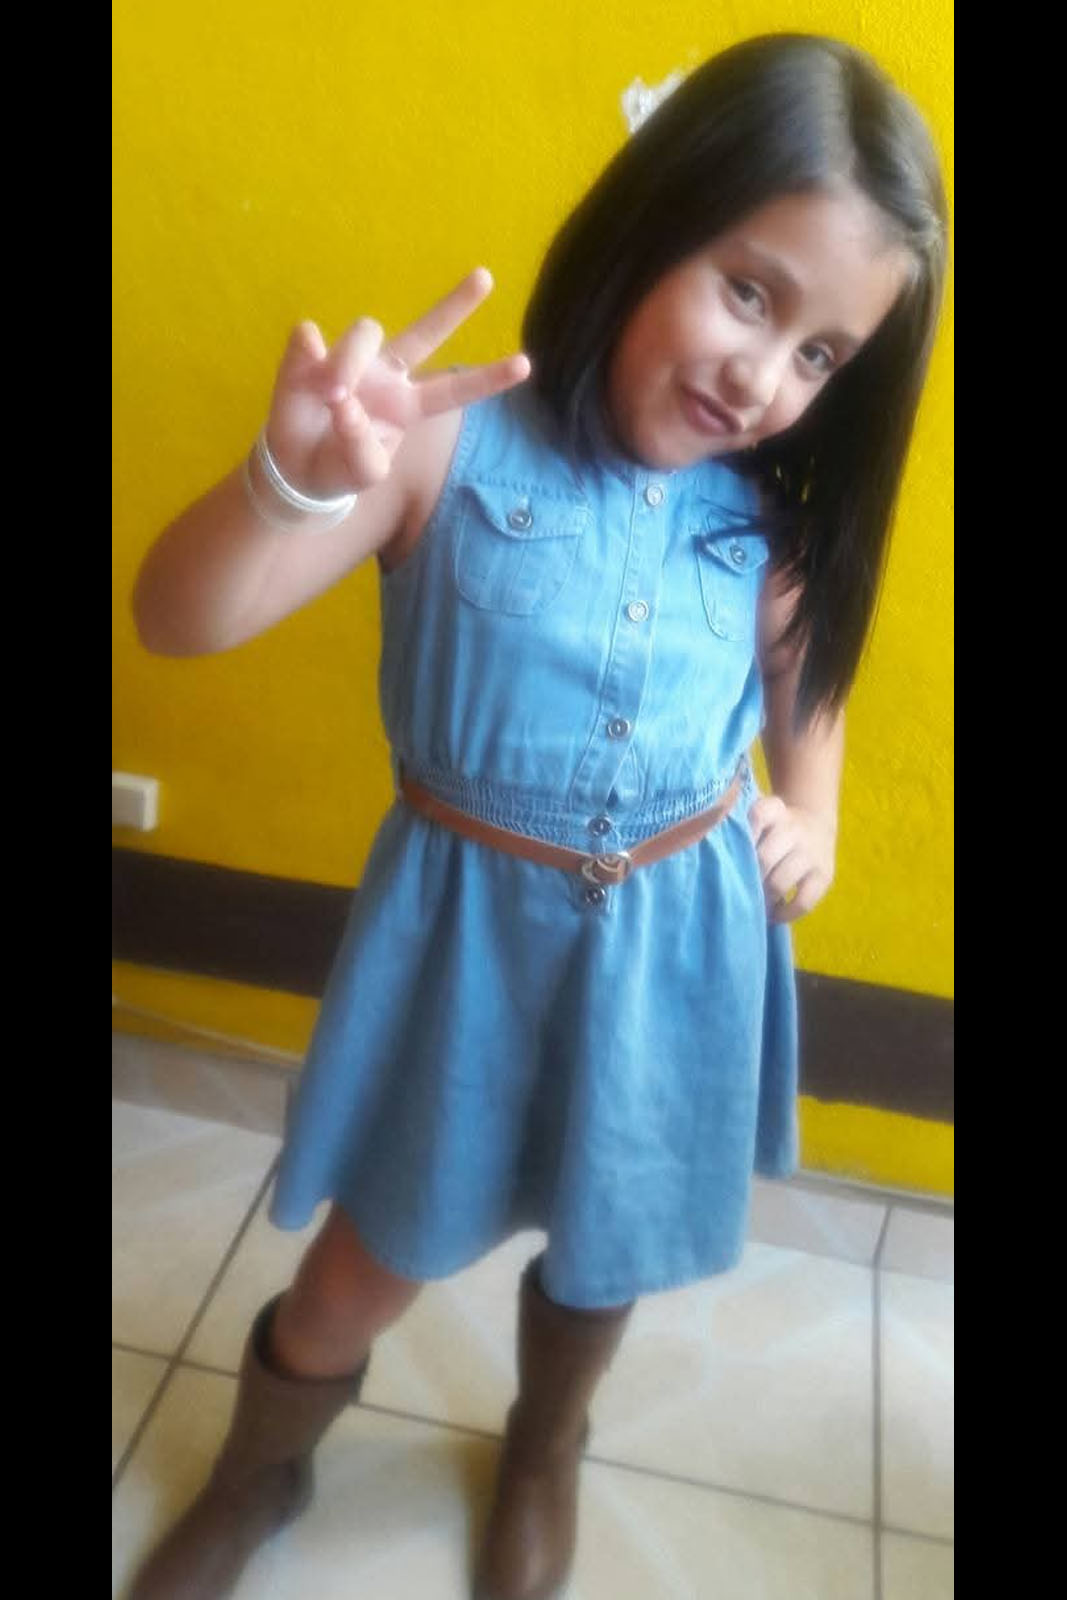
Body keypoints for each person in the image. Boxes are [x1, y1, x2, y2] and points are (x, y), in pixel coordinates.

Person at [126, 32, 947, 1600]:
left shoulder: (769, 526)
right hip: (464, 957)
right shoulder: (437, 448)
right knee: (364, 1262)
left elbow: (811, 690)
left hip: (676, 951)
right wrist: (291, 480)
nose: (764, 377)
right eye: (749, 292)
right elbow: (178, 620)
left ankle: (547, 1444)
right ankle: (259, 1470)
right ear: (651, 217)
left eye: (822, 356)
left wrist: (814, 819)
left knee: (603, 1240)